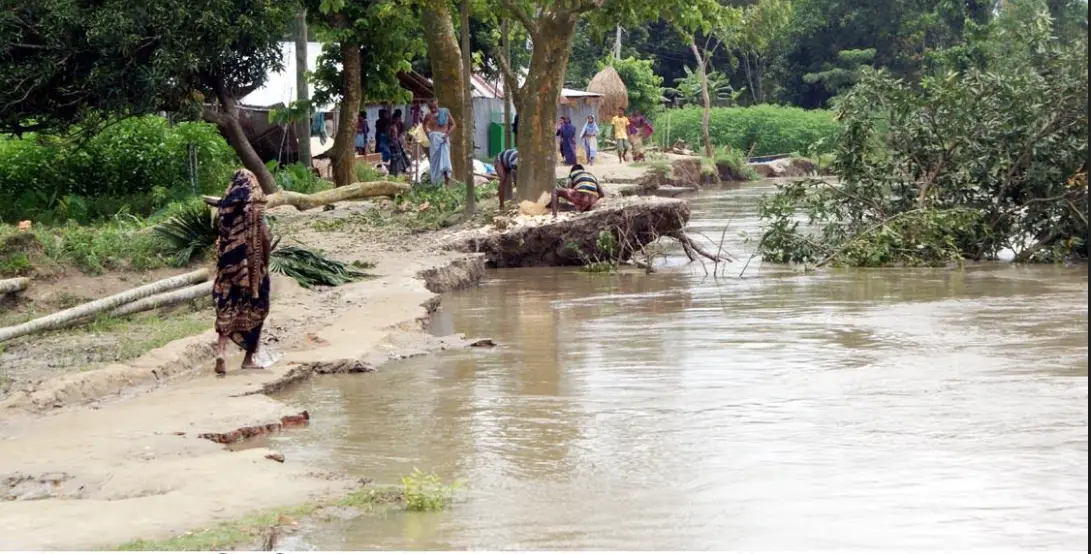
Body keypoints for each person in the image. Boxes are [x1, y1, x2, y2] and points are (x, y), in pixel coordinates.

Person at [212, 169, 273, 375]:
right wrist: (266, 259)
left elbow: (219, 239)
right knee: (257, 308)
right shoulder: (257, 209)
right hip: (253, 271)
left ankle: (221, 352)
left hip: (228, 268)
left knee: (226, 308)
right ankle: (248, 358)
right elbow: (265, 236)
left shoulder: (223, 211)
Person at [423, 100, 456, 186]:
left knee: (445, 164)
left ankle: (445, 185)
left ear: (437, 104)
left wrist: (447, 134)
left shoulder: (445, 112)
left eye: (435, 107)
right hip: (434, 141)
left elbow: (453, 125)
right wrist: (429, 135)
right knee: (435, 163)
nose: (433, 109)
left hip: (443, 140)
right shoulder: (428, 116)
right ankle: (436, 185)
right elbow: (424, 125)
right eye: (431, 108)